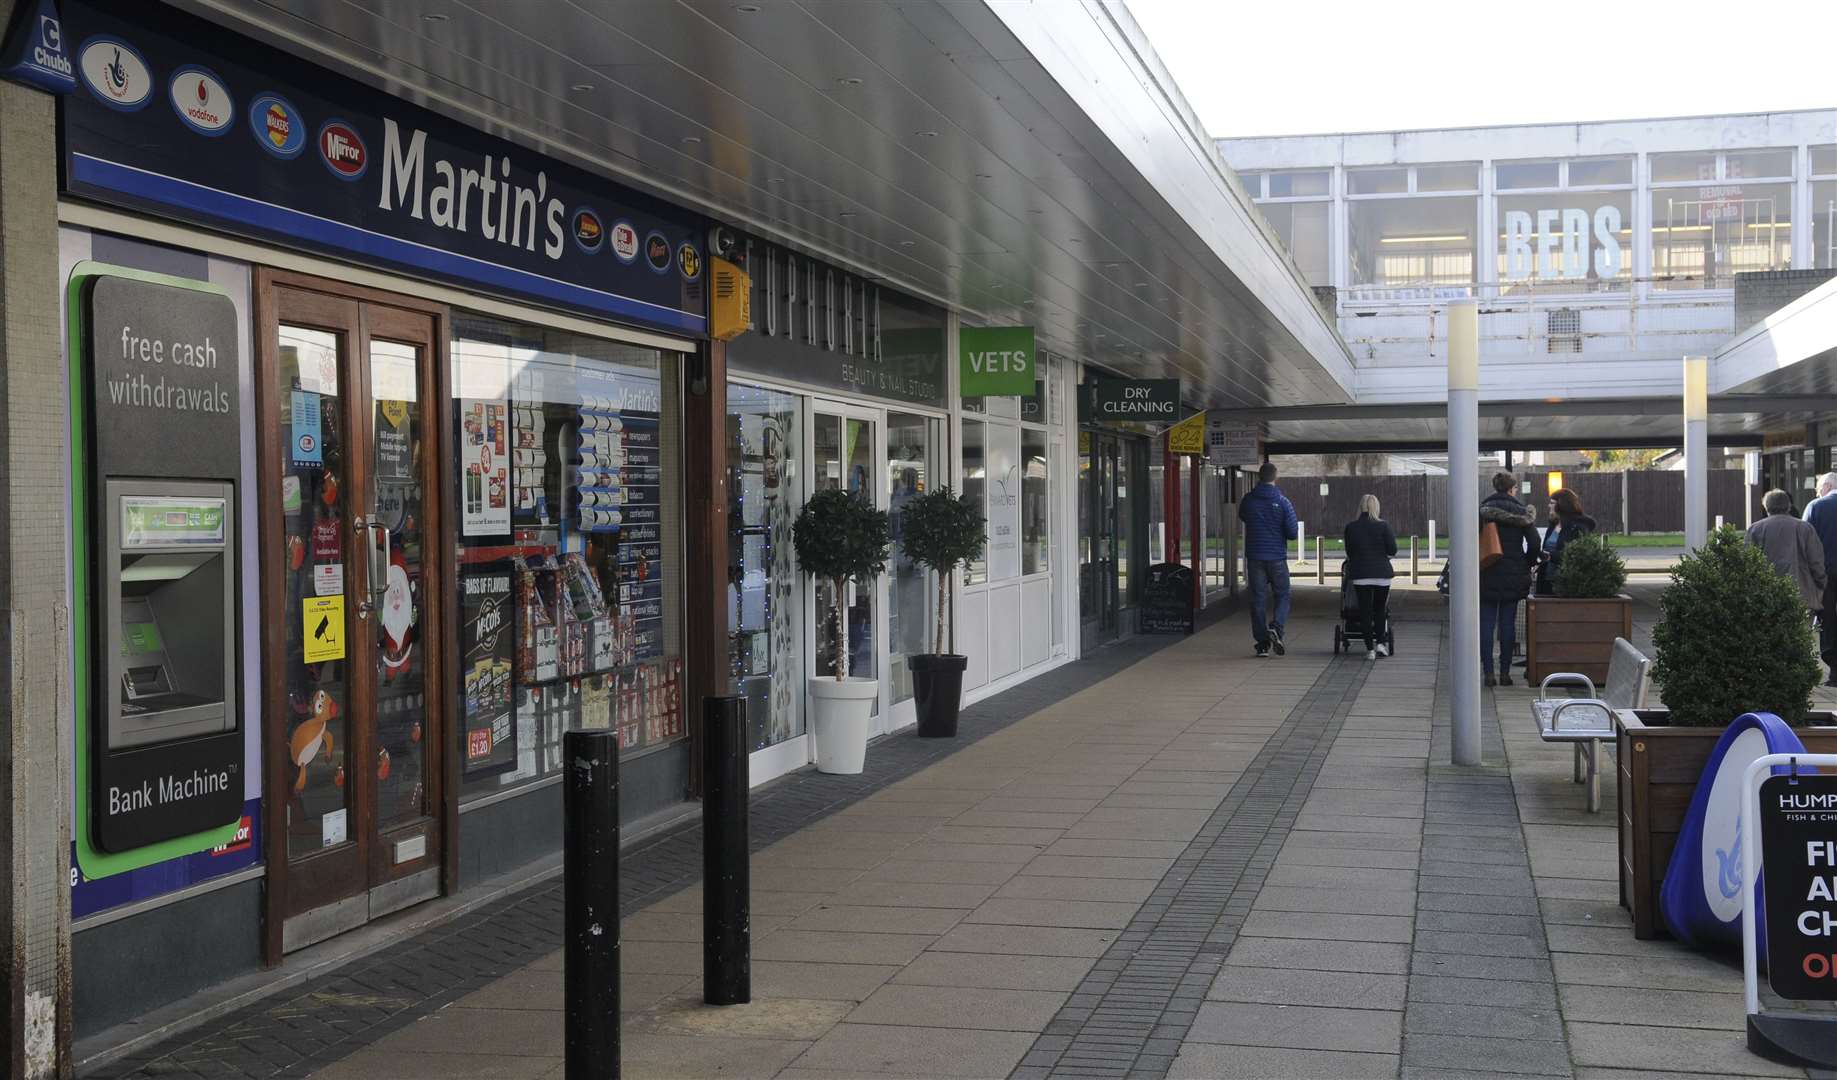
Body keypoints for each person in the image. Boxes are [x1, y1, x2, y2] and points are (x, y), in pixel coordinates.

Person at [1480, 472, 1539, 687]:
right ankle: (1505, 673)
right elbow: (1534, 543)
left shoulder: (1482, 512)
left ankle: (1488, 673)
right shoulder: (1522, 514)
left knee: (1486, 624)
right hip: (1513, 573)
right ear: (1512, 489)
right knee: (1507, 624)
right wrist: (1528, 562)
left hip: (1486, 572)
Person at [1238, 461, 1298, 658]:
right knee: (1283, 594)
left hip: (1255, 557)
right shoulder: (1283, 502)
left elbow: (1243, 516)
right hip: (1277, 558)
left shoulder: (1248, 500)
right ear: (1275, 477)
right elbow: (1292, 533)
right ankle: (1276, 628)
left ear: (1258, 477)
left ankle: (1262, 644)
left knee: (1257, 599)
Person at [1748, 488, 1827, 616]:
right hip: (1801, 593)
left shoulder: (1755, 529)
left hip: (1765, 595)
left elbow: (1747, 562)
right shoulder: (1804, 528)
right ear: (1789, 506)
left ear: (1766, 506)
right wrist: (1820, 586)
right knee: (1800, 633)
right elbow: (1816, 562)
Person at [1343, 494, 1397, 660]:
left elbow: (1350, 552)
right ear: (1376, 507)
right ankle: (1381, 643)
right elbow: (1392, 550)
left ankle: (1369, 649)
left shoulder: (1351, 527)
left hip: (1361, 575)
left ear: (1361, 507)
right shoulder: (1384, 526)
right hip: (1382, 574)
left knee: (1365, 611)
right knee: (1380, 610)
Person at [1804, 473, 1837, 685]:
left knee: (1828, 620)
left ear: (1826, 486)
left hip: (1824, 574)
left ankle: (1835, 672)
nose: (1817, 492)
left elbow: (1806, 540)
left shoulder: (1815, 507)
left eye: (1818, 488)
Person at [1535, 488, 1599, 596]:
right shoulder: (1553, 524)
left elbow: (1576, 554)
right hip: (1546, 578)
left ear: (1562, 505)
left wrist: (1551, 556)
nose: (1548, 506)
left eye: (1552, 503)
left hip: (1565, 581)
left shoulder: (1578, 527)